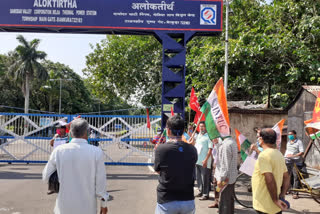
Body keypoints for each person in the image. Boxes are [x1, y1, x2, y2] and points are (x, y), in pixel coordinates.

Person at [43, 118, 109, 214]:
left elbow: (45, 176)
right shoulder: (96, 152)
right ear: (87, 132)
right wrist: (104, 205)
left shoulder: (59, 151)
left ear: (70, 133)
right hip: (87, 208)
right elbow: (100, 184)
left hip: (63, 208)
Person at [154, 115, 197, 214]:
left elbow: (158, 170)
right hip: (187, 199)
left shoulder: (161, 149)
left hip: (166, 200)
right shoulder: (192, 149)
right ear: (183, 130)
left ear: (168, 131)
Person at [252, 128, 290, 214]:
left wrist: (275, 200)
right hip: (276, 206)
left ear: (261, 139)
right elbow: (286, 177)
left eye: (258, 137)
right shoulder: (279, 154)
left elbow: (269, 179)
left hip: (264, 206)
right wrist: (282, 195)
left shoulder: (264, 156)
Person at [214, 134, 238, 214]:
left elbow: (224, 164)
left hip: (226, 179)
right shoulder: (232, 142)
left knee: (224, 203)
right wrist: (217, 144)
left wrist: (221, 179)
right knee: (229, 200)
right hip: (231, 177)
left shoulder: (226, 144)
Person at [194, 121, 213, 200]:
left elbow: (210, 149)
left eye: (203, 126)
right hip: (197, 160)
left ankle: (205, 194)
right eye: (200, 126)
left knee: (205, 178)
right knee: (198, 177)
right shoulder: (198, 136)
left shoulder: (208, 136)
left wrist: (205, 160)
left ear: (206, 127)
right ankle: (201, 191)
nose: (201, 128)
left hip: (205, 161)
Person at [284, 130, 305, 199]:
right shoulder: (288, 142)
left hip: (296, 162)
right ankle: (288, 189)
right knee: (288, 176)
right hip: (288, 161)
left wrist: (293, 156)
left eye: (291, 134)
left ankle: (295, 192)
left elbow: (302, 152)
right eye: (289, 134)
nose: (290, 136)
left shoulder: (299, 142)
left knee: (296, 177)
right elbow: (287, 151)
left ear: (295, 135)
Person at [208, 138, 220, 209]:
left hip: (221, 169)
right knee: (215, 185)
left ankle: (221, 202)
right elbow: (214, 154)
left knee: (220, 185)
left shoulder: (222, 143)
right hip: (216, 167)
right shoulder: (216, 144)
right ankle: (216, 201)